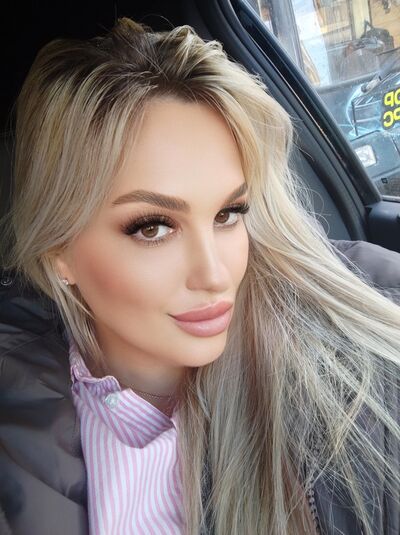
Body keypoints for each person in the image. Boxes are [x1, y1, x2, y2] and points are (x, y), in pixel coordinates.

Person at [0, 17, 399, 535]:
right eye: (153, 228)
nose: (215, 274)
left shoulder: (350, 378)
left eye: (228, 214)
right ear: (60, 252)